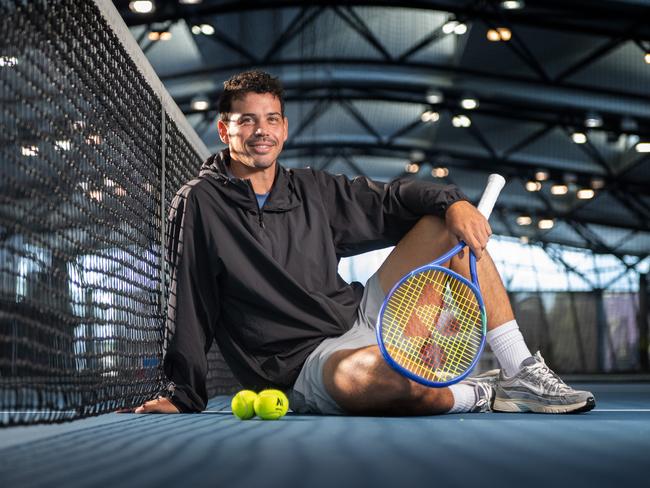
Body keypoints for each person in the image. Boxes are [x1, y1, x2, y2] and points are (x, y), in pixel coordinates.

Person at [131, 71, 595, 415]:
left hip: (360, 314)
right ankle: (478, 393)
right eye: (246, 120)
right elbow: (189, 296)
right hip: (306, 363)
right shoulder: (199, 203)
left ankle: (519, 372)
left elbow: (393, 200)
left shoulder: (310, 188)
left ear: (285, 128)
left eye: (271, 119)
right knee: (393, 382)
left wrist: (453, 202)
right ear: (224, 129)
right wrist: (182, 394)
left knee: (446, 225)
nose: (261, 131)